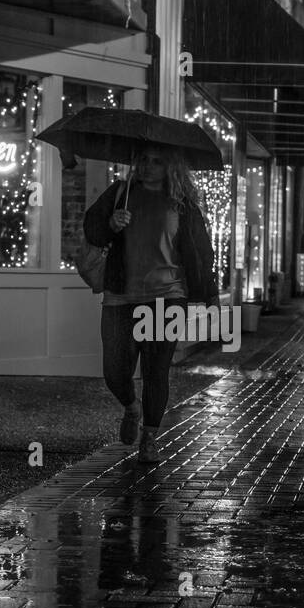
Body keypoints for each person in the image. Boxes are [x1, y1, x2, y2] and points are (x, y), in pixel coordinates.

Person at [84, 147, 218, 464]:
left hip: (167, 296)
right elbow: (92, 228)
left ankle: (149, 437)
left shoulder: (182, 205)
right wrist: (111, 225)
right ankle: (131, 406)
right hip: (121, 297)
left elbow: (202, 252)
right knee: (115, 371)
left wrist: (208, 293)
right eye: (142, 159)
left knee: (156, 370)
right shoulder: (120, 192)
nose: (146, 165)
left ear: (170, 166)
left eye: (156, 160)